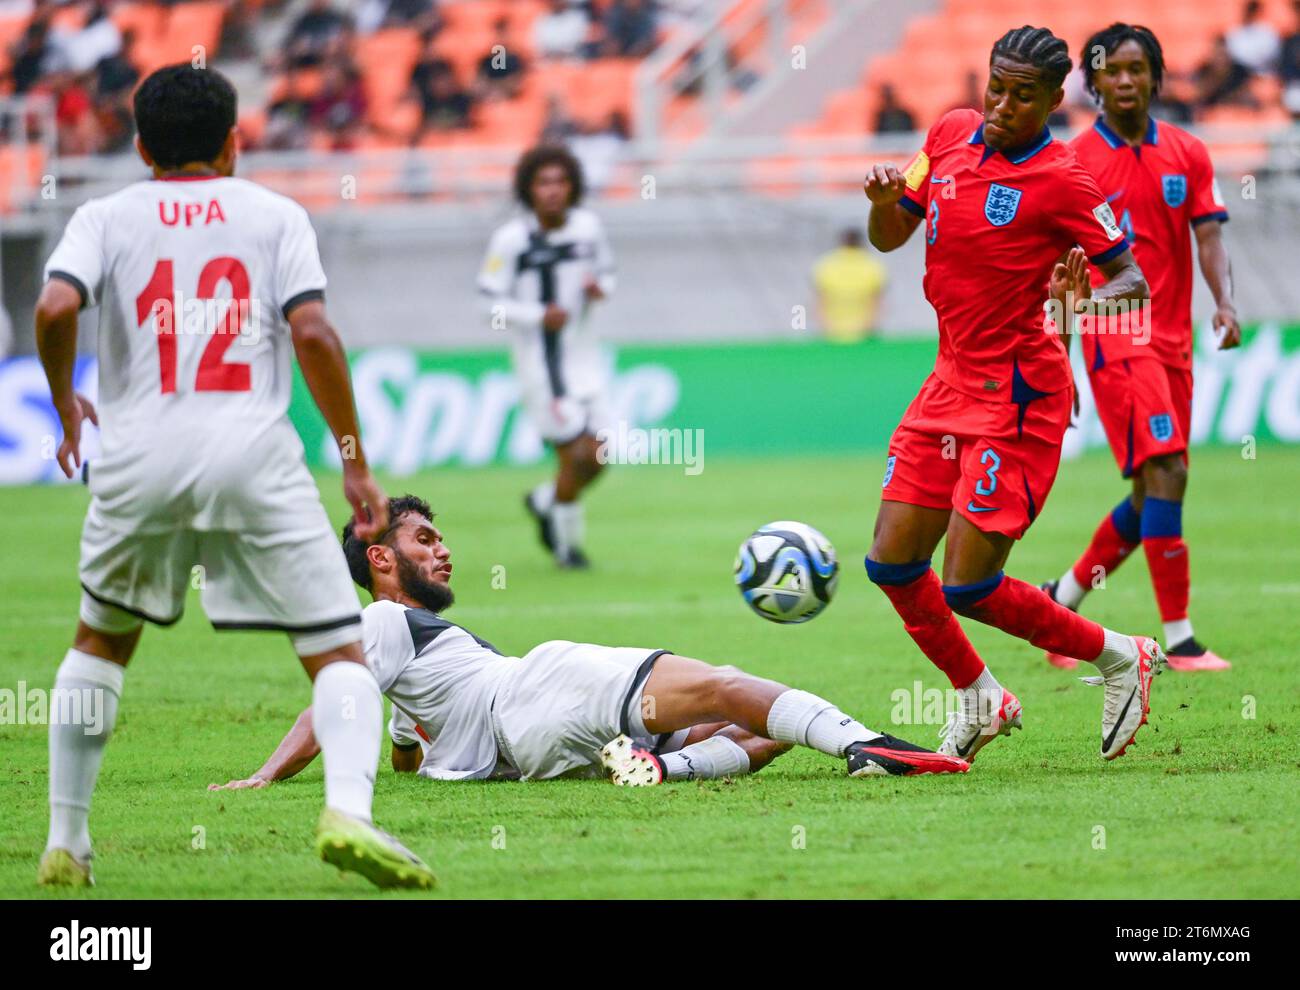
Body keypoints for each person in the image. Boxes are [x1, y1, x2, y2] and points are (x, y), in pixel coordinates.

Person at [33, 64, 432, 890]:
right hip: (253, 456)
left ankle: (68, 839)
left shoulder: (104, 216)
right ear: (234, 140)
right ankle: (349, 816)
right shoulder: (273, 215)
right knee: (338, 654)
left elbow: (53, 310)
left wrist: (68, 408)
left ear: (140, 145)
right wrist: (355, 466)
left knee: (101, 643)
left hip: (138, 457)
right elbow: (314, 333)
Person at [211, 496, 971, 792]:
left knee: (755, 730)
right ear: (380, 558)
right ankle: (869, 745)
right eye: (424, 539)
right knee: (725, 681)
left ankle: (659, 768)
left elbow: (408, 747)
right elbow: (337, 701)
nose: (444, 550)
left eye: (442, 536)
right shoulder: (382, 622)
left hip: (534, 745)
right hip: (536, 687)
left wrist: (413, 757)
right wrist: (264, 776)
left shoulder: (412, 651)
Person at [862, 26, 1166, 764]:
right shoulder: (949, 134)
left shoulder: (1063, 179)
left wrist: (1075, 310)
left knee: (968, 585)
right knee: (892, 566)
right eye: (994, 87)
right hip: (948, 381)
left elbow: (1132, 281)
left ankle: (1120, 655)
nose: (1000, 105)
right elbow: (888, 237)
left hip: (1020, 397)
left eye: (1020, 95)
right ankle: (980, 694)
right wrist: (881, 200)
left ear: (1053, 100)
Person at [1042, 24, 1238, 673]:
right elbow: (1063, 272)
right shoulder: (1074, 163)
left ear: (1155, 76)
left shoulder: (1186, 151)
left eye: (1135, 69)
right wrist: (1062, 358)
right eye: (1110, 71)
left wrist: (1225, 301)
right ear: (1092, 83)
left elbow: (1209, 237)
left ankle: (1059, 603)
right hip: (1114, 335)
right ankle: (1179, 639)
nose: (1123, 81)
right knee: (1170, 473)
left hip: (1176, 341)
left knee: (1147, 493)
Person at [478, 146, 615, 570]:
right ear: (528, 188)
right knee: (577, 455)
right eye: (543, 182)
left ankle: (544, 500)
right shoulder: (511, 239)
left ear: (573, 186)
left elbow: (609, 272)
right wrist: (538, 314)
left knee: (600, 456)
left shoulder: (589, 229)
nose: (552, 191)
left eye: (560, 182)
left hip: (587, 362)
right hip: (542, 368)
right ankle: (566, 548)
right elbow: (489, 305)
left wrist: (600, 288)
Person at [812, 227, 888, 342]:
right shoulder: (873, 265)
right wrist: (868, 326)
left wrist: (826, 326)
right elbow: (877, 303)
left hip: (832, 333)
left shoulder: (826, 264)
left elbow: (819, 301)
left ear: (841, 242)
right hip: (864, 333)